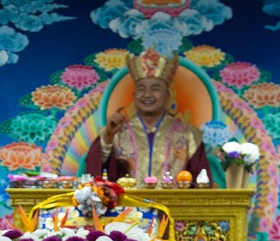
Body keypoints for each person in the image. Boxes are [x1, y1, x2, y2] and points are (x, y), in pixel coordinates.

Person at [84, 48, 207, 183]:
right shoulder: (115, 133)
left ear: (167, 96)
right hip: (127, 197)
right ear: (134, 97)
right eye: (141, 89)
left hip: (173, 197)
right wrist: (107, 139)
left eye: (155, 89)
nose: (147, 94)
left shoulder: (189, 135)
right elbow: (95, 173)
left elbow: (202, 184)